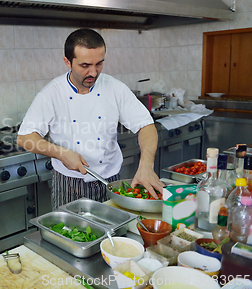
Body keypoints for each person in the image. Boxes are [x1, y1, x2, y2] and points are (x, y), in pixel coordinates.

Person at [17, 28, 163, 208]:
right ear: (67, 62)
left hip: (111, 182)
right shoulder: (51, 93)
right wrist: (61, 153)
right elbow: (25, 138)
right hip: (69, 185)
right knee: (70, 235)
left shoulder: (115, 88)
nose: (93, 72)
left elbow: (146, 125)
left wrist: (147, 166)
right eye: (85, 66)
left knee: (114, 234)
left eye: (99, 64)